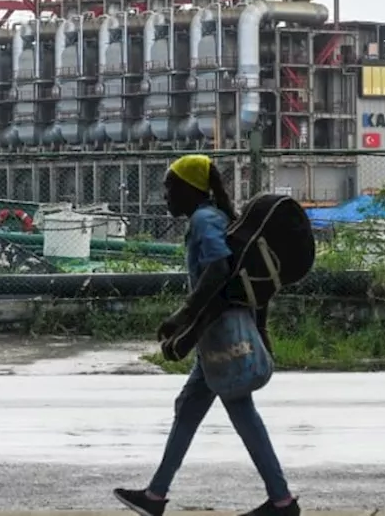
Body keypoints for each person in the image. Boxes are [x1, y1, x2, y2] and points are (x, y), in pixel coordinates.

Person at [114, 154, 299, 516]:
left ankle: (282, 501)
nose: (165, 195)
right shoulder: (212, 218)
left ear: (189, 189)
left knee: (238, 410)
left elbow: (219, 270)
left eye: (170, 187)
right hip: (217, 334)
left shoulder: (204, 219)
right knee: (190, 408)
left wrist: (183, 318)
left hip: (222, 337)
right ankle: (155, 496)